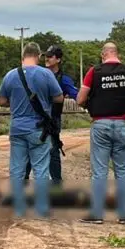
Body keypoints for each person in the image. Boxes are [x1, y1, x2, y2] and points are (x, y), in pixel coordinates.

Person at [75, 42, 125, 225]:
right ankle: (124, 215)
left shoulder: (93, 72)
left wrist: (92, 103)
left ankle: (97, 214)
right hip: (122, 124)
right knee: (122, 170)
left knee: (100, 171)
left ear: (102, 55)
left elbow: (80, 99)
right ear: (117, 54)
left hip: (100, 125)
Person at [0, 42, 64, 218]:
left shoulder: (10, 75)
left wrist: (16, 103)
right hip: (39, 129)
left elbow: (1, 101)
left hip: (17, 127)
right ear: (39, 56)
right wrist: (44, 102)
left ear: (22, 56)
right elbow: (58, 97)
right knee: (41, 167)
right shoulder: (46, 74)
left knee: (17, 168)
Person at [23, 45, 79, 186]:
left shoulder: (64, 79)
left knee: (53, 151)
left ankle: (56, 185)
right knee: (30, 152)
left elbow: (78, 96)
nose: (47, 58)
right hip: (34, 118)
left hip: (53, 119)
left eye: (51, 56)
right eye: (46, 55)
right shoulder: (35, 74)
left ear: (58, 59)